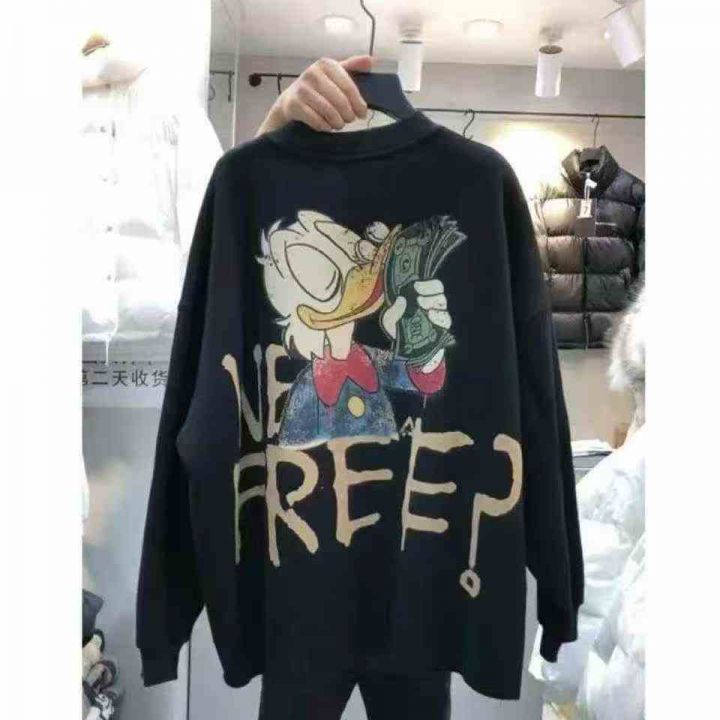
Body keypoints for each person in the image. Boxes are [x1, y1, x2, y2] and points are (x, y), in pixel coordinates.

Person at [252, 55, 454, 720]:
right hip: (311, 589)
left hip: (405, 580)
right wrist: (275, 133)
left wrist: (426, 343)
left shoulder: (372, 358)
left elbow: (420, 379)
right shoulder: (309, 390)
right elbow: (298, 470)